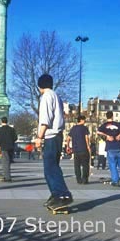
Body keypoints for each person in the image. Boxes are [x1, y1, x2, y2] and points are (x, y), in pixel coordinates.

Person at [34, 74, 72, 209]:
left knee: (50, 168)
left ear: (40, 86)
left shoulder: (46, 97)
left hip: (51, 136)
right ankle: (55, 194)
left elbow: (45, 119)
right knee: (51, 167)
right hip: (58, 135)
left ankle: (63, 195)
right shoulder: (56, 96)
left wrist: (39, 137)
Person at [97, 111, 120, 187]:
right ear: (112, 116)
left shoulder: (104, 126)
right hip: (118, 146)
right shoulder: (117, 124)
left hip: (110, 147)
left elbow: (98, 132)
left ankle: (115, 180)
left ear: (106, 116)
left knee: (112, 165)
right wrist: (119, 134)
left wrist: (107, 136)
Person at [66, 115, 91, 184]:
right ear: (81, 120)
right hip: (83, 149)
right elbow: (86, 138)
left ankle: (78, 179)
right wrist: (88, 146)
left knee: (77, 165)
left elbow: (68, 138)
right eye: (84, 120)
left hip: (76, 150)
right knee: (85, 165)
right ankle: (84, 179)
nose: (85, 121)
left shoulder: (73, 128)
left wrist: (68, 146)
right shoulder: (84, 128)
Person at [0, 116, 17, 182]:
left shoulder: (0, 129)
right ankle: (6, 174)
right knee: (8, 162)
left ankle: (7, 177)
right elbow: (15, 138)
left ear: (1, 121)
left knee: (5, 162)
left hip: (4, 147)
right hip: (11, 147)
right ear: (7, 121)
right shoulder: (11, 129)